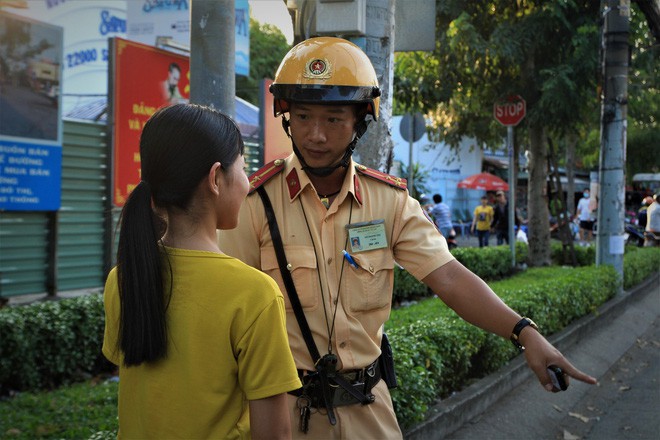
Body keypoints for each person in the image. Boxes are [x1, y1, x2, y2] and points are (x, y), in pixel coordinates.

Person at [218, 37, 596, 439]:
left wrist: (525, 333)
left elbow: (448, 277)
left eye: (333, 119)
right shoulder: (255, 202)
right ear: (287, 117)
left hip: (370, 412)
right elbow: (225, 313)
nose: (315, 135)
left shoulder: (390, 202)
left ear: (360, 122)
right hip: (282, 417)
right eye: (304, 116)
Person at [102, 103, 301, 439]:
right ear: (215, 179)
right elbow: (274, 435)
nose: (248, 184)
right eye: (242, 168)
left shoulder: (122, 277)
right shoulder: (254, 293)